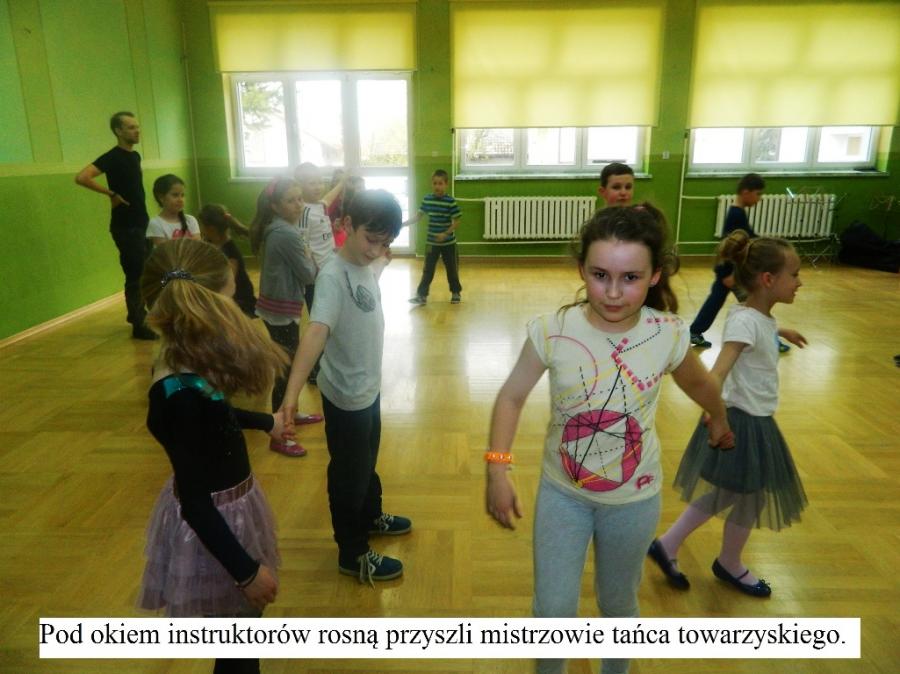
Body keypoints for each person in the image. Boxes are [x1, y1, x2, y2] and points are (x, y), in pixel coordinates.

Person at [486, 204, 734, 674]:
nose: (614, 292)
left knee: (618, 605)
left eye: (631, 278)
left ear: (655, 276)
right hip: (563, 495)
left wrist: (718, 417)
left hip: (634, 501)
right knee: (552, 611)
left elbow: (700, 384)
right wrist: (498, 468)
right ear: (582, 269)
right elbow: (511, 397)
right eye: (600, 275)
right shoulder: (553, 330)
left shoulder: (667, 334)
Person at [136, 238, 287, 674]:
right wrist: (246, 572)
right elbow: (195, 501)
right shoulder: (176, 394)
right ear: (210, 307)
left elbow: (214, 414)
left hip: (232, 508)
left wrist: (265, 422)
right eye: (231, 297)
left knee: (240, 635)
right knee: (238, 643)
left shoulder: (184, 359)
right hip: (216, 529)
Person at [647, 232, 808, 599]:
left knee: (733, 492)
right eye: (795, 274)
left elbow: (759, 328)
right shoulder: (745, 322)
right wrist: (713, 411)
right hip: (742, 421)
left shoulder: (758, 317)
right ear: (768, 279)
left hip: (757, 419)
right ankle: (727, 561)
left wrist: (781, 330)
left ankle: (670, 545)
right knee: (747, 494)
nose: (800, 282)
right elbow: (718, 371)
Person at [278, 190, 412, 584]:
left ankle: (371, 515)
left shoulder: (366, 264)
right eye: (371, 239)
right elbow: (316, 332)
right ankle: (352, 553)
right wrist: (291, 395)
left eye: (385, 242)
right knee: (348, 476)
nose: (375, 250)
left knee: (367, 461)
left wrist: (382, 259)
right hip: (346, 398)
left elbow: (373, 271)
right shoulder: (333, 278)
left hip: (368, 390)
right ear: (347, 225)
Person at [250, 178, 319, 457]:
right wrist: (310, 255)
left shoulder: (278, 228)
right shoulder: (285, 234)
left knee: (289, 364)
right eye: (291, 200)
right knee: (285, 371)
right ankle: (280, 432)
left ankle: (292, 413)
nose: (298, 204)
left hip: (279, 307)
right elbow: (309, 274)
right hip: (280, 311)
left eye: (300, 198)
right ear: (275, 206)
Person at [75, 111, 155, 340]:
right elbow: (82, 177)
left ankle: (139, 315)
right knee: (136, 274)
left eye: (137, 126)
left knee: (146, 271)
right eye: (131, 127)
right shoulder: (112, 157)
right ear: (118, 131)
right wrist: (111, 194)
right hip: (125, 227)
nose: (137, 131)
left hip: (142, 223)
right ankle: (139, 323)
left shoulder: (135, 156)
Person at [689, 173, 788, 353]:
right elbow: (731, 247)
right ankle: (771, 339)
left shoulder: (738, 213)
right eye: (758, 193)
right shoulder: (736, 215)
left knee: (716, 301)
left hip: (730, 271)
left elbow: (749, 237)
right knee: (756, 305)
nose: (759, 198)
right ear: (745, 192)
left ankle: (694, 332)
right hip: (731, 272)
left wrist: (767, 242)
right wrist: (729, 274)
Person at [296, 163, 345, 385]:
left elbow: (328, 197)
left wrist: (343, 181)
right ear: (300, 186)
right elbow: (303, 245)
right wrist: (315, 270)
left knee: (331, 320)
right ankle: (315, 370)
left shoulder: (319, 206)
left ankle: (326, 364)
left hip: (329, 273)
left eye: (319, 182)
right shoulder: (304, 211)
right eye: (311, 183)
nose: (317, 187)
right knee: (320, 323)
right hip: (316, 279)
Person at [407, 169, 463, 305]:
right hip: (431, 243)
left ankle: (456, 292)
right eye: (435, 183)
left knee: (452, 269)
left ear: (446, 184)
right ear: (432, 184)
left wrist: (445, 234)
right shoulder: (427, 199)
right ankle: (421, 296)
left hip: (449, 244)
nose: (437, 186)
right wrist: (404, 224)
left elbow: (457, 221)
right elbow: (418, 216)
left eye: (440, 183)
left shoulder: (450, 201)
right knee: (428, 270)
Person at [198, 204, 256, 319]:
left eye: (202, 226)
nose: (201, 230)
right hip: (222, 298)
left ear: (211, 229)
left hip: (238, 302)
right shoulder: (209, 243)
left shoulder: (230, 253)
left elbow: (227, 286)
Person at [147, 174, 200, 246]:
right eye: (175, 195)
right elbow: (165, 251)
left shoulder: (191, 220)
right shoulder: (155, 224)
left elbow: (198, 248)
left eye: (182, 195)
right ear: (161, 197)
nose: (180, 200)